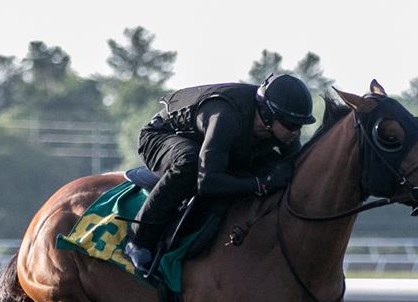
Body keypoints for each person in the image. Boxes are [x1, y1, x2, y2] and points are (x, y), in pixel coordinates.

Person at [124, 73, 316, 274]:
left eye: (300, 125)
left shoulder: (280, 127)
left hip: (210, 140)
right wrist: (261, 184)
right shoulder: (225, 117)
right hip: (161, 136)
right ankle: (138, 239)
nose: (296, 132)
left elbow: (295, 168)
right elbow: (207, 183)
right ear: (268, 115)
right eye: (292, 125)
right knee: (189, 162)